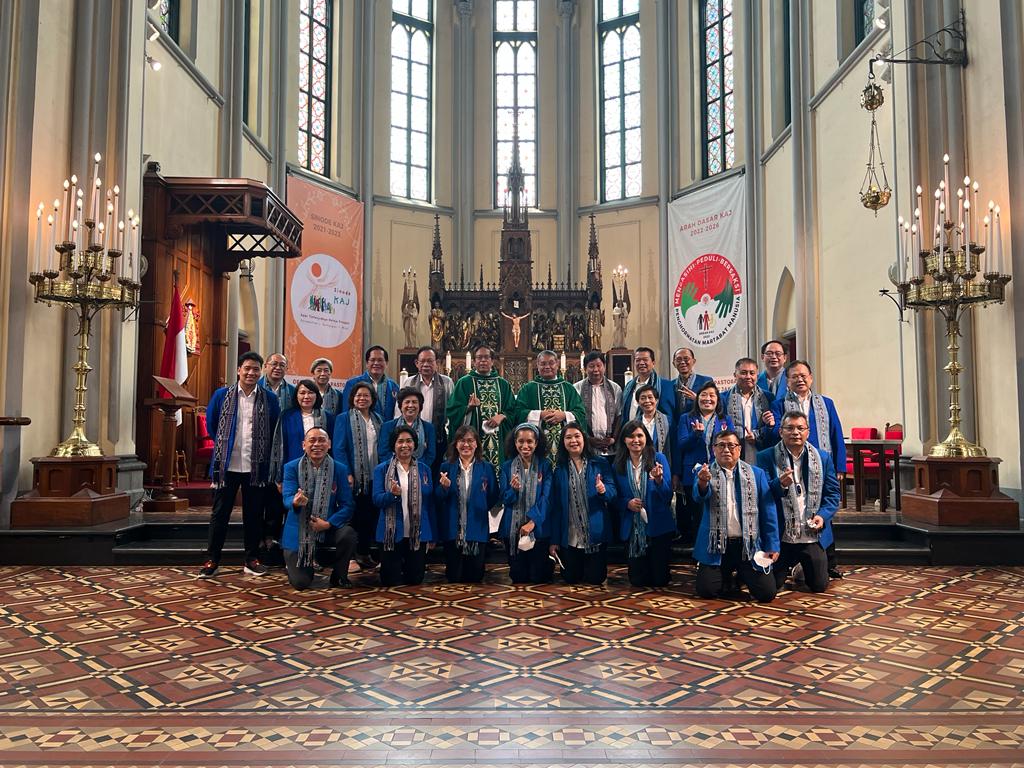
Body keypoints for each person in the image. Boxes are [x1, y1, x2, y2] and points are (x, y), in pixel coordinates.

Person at [199, 351, 281, 578]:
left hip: (256, 467)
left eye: (255, 369)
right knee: (220, 514)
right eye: (247, 368)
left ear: (261, 372)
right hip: (227, 466)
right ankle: (212, 560)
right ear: (238, 370)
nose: (251, 373)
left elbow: (273, 428)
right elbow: (213, 425)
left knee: (254, 515)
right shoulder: (221, 395)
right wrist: (224, 447)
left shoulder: (269, 399)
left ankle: (251, 559)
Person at [771, 359, 846, 578]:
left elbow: (836, 433)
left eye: (803, 376)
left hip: (821, 465)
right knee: (794, 507)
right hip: (790, 463)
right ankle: (793, 560)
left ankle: (829, 561)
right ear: (787, 381)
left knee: (823, 510)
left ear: (811, 378)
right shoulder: (778, 404)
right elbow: (775, 432)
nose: (800, 380)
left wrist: (840, 466)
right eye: (794, 376)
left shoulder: (826, 403)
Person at [757, 411, 841, 593]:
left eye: (800, 428)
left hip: (810, 532)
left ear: (808, 432)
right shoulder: (765, 457)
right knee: (770, 587)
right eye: (790, 428)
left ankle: (801, 567)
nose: (795, 432)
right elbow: (761, 494)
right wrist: (779, 484)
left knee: (819, 586)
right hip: (781, 535)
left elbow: (833, 494)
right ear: (781, 432)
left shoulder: (823, 458)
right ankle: (786, 566)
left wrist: (822, 516)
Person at [692, 429, 780, 602]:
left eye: (731, 445)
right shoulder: (705, 472)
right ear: (714, 449)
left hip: (748, 546)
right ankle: (726, 576)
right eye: (721, 445)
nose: (726, 450)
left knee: (767, 593)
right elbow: (698, 496)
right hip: (717, 546)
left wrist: (772, 545)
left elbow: (768, 511)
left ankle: (740, 576)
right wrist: (702, 482)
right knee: (706, 590)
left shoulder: (756, 474)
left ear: (739, 449)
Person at [266, 379, 337, 562]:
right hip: (292, 472)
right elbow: (279, 446)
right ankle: (290, 554)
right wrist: (280, 477)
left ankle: (313, 554)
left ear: (317, 395)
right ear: (296, 396)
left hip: (321, 471)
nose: (306, 396)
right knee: (292, 510)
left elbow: (332, 447)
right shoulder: (287, 416)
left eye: (310, 392)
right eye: (302, 392)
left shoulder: (327, 416)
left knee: (316, 511)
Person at [280, 427, 358, 589]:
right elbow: (287, 498)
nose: (317, 444)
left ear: (329, 444)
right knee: (300, 583)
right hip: (299, 529)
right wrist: (295, 501)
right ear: (304, 445)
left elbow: (347, 505)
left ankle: (339, 576)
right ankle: (301, 566)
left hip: (327, 527)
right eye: (312, 440)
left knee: (348, 534)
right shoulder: (291, 467)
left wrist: (328, 524)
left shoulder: (339, 468)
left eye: (322, 440)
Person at [548, 425, 617, 585]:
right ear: (563, 442)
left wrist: (603, 490)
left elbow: (613, 493)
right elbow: (557, 508)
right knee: (570, 578)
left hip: (595, 532)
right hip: (571, 534)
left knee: (596, 579)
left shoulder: (600, 463)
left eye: (577, 436)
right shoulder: (559, 470)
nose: (573, 441)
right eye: (568, 437)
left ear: (584, 439)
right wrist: (554, 540)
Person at [372, 425, 436, 587]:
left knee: (415, 580)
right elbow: (377, 500)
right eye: (400, 441)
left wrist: (433, 535)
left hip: (417, 533)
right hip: (390, 533)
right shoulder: (381, 469)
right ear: (393, 445)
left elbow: (430, 504)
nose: (405, 445)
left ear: (415, 444)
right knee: (390, 581)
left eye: (409, 441)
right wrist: (392, 495)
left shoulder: (425, 470)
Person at [612, 420, 674, 588]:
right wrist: (627, 503)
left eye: (640, 435)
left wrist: (659, 480)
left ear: (646, 437)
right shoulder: (618, 465)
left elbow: (667, 496)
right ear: (624, 440)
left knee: (660, 580)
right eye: (631, 436)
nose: (636, 440)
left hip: (658, 525)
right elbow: (614, 498)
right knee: (638, 581)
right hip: (633, 526)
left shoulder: (658, 458)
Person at [436, 426, 500, 583]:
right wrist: (444, 488)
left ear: (476, 444)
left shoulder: (487, 468)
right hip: (453, 529)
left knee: (475, 576)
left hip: (477, 527)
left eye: (470, 441)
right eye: (462, 440)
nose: (466, 445)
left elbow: (493, 495)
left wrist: (480, 505)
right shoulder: (446, 467)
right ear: (456, 444)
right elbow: (437, 497)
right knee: (454, 577)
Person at [446, 344, 518, 479]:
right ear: (474, 361)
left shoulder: (503, 384)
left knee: (497, 477)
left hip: (497, 440)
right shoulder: (464, 383)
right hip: (473, 437)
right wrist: (468, 408)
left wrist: (502, 416)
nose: (483, 360)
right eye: (479, 358)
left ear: (492, 361)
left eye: (486, 357)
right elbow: (452, 410)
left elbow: (513, 411)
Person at [676, 381, 734, 544]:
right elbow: (681, 445)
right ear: (697, 398)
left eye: (712, 395)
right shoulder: (686, 418)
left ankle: (719, 545)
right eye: (703, 395)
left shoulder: (725, 420)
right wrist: (695, 434)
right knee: (698, 515)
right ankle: (699, 550)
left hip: (720, 472)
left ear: (718, 400)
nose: (708, 398)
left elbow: (732, 445)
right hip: (693, 473)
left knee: (718, 511)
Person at [332, 381, 382, 571]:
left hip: (374, 476)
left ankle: (363, 553)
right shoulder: (344, 418)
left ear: (372, 399)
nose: (362, 398)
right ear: (352, 398)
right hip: (353, 477)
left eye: (366, 395)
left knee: (369, 516)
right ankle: (350, 558)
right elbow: (339, 448)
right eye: (358, 395)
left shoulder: (378, 419)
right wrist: (347, 473)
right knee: (353, 516)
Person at [499, 423, 553, 584]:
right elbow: (504, 498)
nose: (525, 446)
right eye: (520, 441)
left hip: (538, 527)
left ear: (536, 443)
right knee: (519, 577)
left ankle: (548, 563)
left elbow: (547, 497)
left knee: (537, 577)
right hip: (513, 528)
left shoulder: (545, 465)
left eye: (529, 441)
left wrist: (532, 522)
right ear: (514, 442)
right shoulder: (506, 466)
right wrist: (513, 490)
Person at [515, 350, 587, 452]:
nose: (547, 367)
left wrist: (564, 415)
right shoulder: (528, 389)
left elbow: (580, 413)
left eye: (551, 363)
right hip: (537, 445)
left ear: (557, 364)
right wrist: (540, 414)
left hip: (564, 445)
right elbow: (518, 412)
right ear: (537, 365)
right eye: (543, 364)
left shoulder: (568, 388)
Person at [401, 345, 454, 473]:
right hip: (413, 436)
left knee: (436, 472)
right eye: (422, 361)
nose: (426, 364)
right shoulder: (408, 382)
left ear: (437, 363)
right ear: (416, 363)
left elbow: (452, 409)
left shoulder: (446, 382)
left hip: (438, 437)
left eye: (430, 361)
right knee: (414, 472)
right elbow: (400, 410)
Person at [723, 357, 777, 464]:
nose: (748, 377)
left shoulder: (768, 397)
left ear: (757, 375)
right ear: (735, 375)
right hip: (732, 452)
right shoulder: (724, 398)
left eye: (752, 373)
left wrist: (757, 436)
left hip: (760, 450)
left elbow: (773, 427)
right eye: (743, 373)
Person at [573, 350, 622, 454]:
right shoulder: (576, 388)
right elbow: (574, 416)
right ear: (585, 369)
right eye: (591, 366)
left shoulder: (615, 388)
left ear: (604, 367)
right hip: (584, 443)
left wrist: (613, 439)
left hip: (610, 445)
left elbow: (619, 415)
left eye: (599, 366)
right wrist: (587, 438)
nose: (595, 369)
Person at [379, 387, 437, 469]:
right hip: (393, 470)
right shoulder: (387, 427)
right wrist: (399, 468)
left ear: (420, 406)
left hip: (420, 470)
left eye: (414, 402)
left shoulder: (429, 428)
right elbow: (383, 453)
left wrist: (415, 468)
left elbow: (430, 455)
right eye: (407, 402)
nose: (410, 405)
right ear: (400, 406)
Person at [341, 345, 400, 421]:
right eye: (372, 360)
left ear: (386, 363)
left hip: (387, 427)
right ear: (367, 363)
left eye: (380, 360)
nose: (376, 363)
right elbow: (346, 412)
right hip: (360, 427)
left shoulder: (394, 387)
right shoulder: (352, 384)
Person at [620, 347, 675, 424]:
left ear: (653, 363)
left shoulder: (665, 385)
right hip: (630, 429)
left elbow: (669, 416)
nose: (641, 363)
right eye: (638, 360)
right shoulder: (629, 385)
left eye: (645, 360)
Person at [670, 347, 713, 417]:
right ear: (674, 363)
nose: (682, 362)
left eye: (686, 359)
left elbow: (715, 404)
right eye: (678, 359)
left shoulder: (706, 381)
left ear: (693, 361)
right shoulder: (670, 385)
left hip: (699, 422)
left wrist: (697, 398)